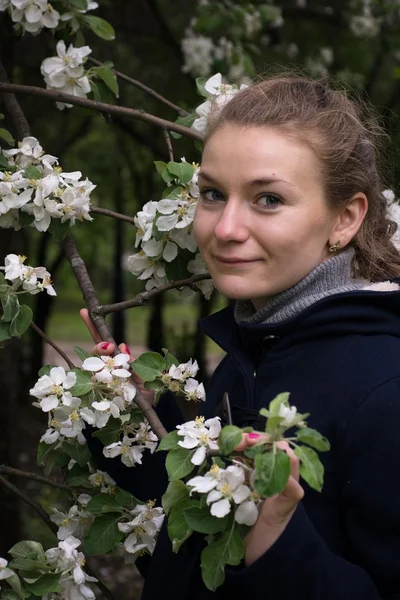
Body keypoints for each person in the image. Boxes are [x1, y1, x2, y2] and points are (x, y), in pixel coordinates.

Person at [81, 75, 400, 599]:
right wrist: (123, 412)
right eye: (212, 194)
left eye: (268, 198)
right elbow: (201, 510)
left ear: (345, 218)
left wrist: (275, 539)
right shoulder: (259, 345)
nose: (225, 227)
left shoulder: (384, 390)